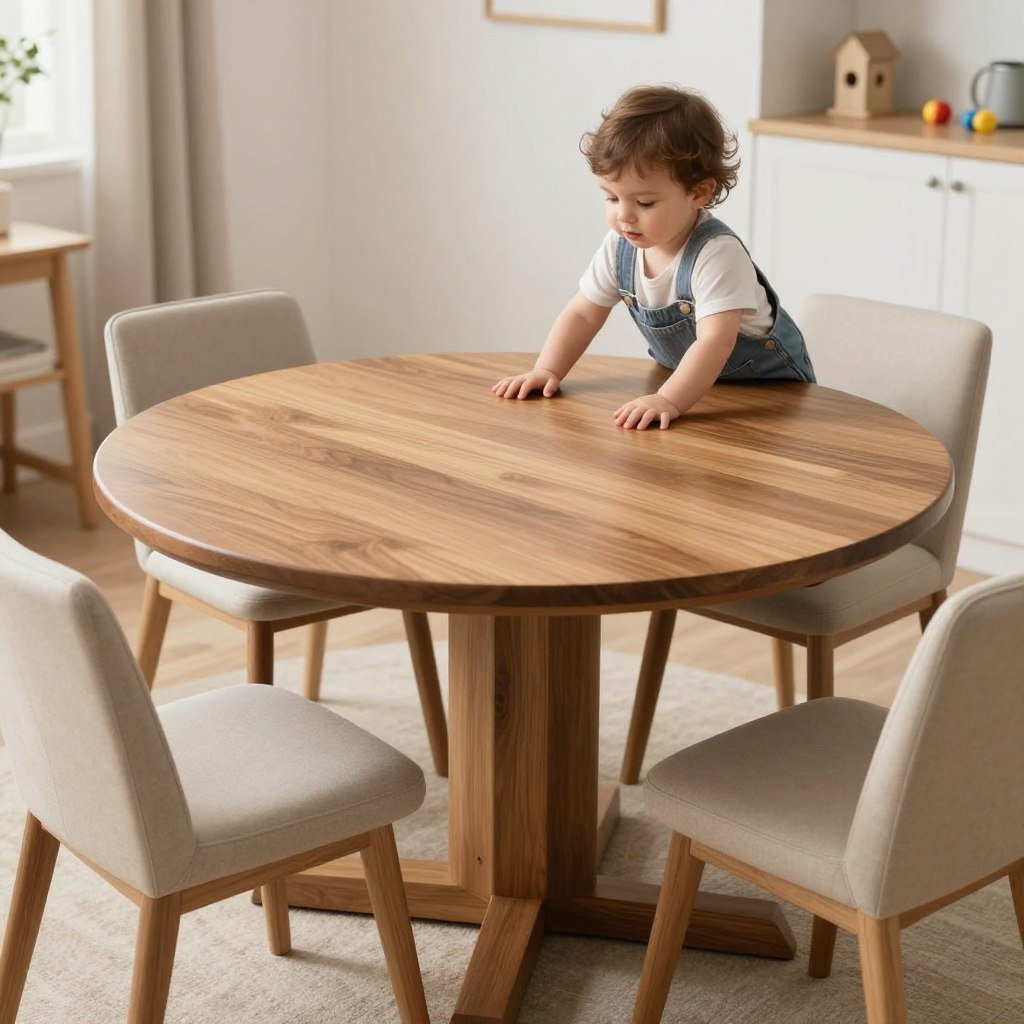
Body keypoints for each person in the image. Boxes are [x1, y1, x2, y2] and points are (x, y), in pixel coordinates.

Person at [492, 84, 815, 430]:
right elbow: (583, 314)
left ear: (699, 192)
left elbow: (716, 341)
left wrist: (668, 399)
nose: (624, 216)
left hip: (769, 397)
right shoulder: (620, 247)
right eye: (612, 198)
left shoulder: (717, 255)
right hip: (694, 386)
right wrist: (547, 369)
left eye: (644, 203)